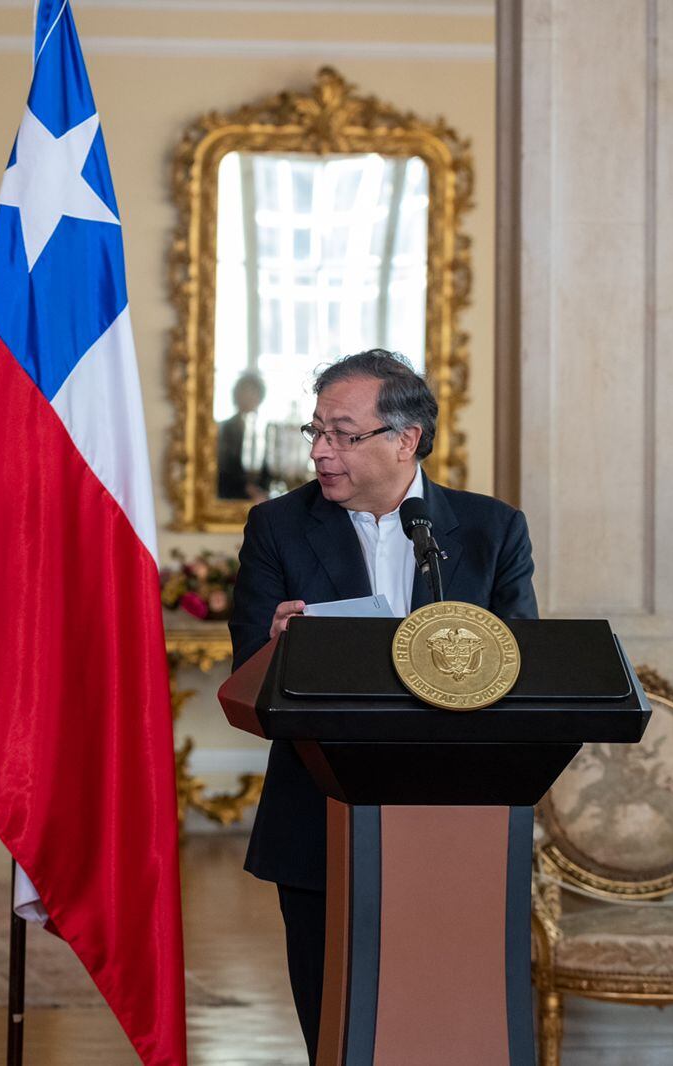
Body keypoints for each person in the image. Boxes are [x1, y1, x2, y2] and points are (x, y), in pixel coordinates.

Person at [227, 349, 537, 1063]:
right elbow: (248, 686)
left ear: (407, 440)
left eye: (342, 433)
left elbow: (520, 674)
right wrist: (280, 654)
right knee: (334, 1029)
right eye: (314, 432)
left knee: (450, 1028)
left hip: (461, 827)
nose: (320, 452)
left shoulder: (491, 531)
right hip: (320, 819)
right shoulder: (277, 527)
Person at [217, 370, 271, 501]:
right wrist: (246, 488)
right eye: (246, 392)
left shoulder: (263, 429)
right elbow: (225, 467)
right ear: (237, 395)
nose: (250, 397)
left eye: (254, 392)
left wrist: (262, 490)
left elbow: (267, 468)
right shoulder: (226, 428)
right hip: (231, 496)